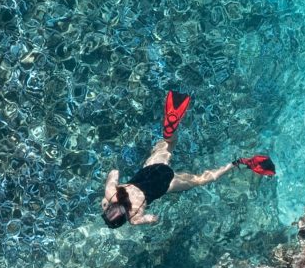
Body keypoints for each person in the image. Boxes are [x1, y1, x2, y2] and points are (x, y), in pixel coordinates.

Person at [99, 91, 274, 228]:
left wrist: (150, 219)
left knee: (201, 179)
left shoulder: (134, 218)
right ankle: (170, 129)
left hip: (166, 184)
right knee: (169, 143)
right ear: (109, 209)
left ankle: (240, 163)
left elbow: (154, 218)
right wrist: (106, 199)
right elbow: (114, 171)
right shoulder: (110, 192)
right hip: (151, 170)